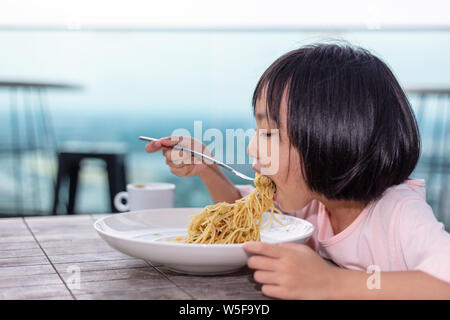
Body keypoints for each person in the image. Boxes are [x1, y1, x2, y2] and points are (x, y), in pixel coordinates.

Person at [145, 43, 450, 299]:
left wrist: (332, 283)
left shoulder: (399, 214)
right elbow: (242, 216)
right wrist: (208, 169)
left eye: (268, 133)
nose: (251, 148)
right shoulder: (312, 202)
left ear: (329, 140)